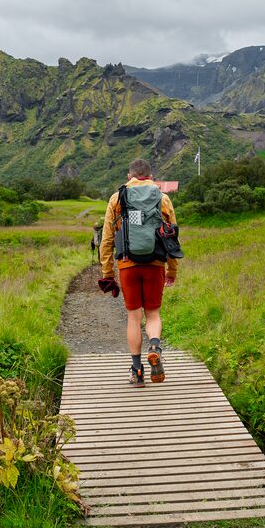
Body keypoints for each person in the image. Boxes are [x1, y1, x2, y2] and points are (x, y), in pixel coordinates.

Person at [98, 158, 178, 387]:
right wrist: (172, 270)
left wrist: (107, 273)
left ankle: (137, 371)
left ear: (129, 176)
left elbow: (107, 240)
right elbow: (172, 237)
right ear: (151, 176)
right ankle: (154, 346)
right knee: (153, 313)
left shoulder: (117, 198)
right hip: (155, 264)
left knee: (134, 316)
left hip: (127, 264)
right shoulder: (162, 198)